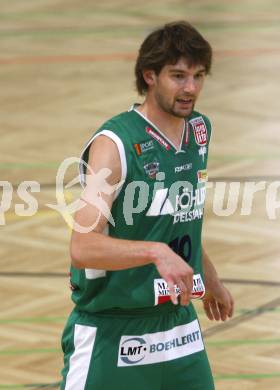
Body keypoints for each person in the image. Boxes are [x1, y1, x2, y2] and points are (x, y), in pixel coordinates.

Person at [60, 21, 234, 390]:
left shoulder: (199, 131)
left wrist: (211, 278)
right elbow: (83, 246)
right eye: (178, 76)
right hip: (113, 330)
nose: (191, 88)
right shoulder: (116, 142)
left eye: (199, 76)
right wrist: (156, 252)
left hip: (179, 327)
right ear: (149, 76)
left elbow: (175, 222)